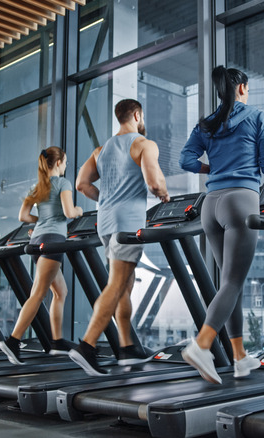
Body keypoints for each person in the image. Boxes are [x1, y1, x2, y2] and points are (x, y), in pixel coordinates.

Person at [179, 66, 264, 384]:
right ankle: (202, 345)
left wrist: (212, 165)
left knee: (229, 284)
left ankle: (239, 357)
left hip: (211, 205)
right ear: (243, 89)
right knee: (233, 283)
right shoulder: (257, 116)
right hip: (241, 202)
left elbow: (185, 160)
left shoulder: (207, 123)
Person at [69, 98, 170, 376]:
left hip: (106, 222)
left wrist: (105, 200)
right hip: (128, 225)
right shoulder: (143, 144)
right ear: (137, 115)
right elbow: (153, 182)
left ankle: (127, 347)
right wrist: (163, 193)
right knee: (116, 284)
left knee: (124, 284)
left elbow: (81, 184)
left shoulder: (101, 150)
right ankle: (87, 346)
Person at [0, 146, 83, 365]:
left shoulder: (36, 186)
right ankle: (13, 340)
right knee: (37, 294)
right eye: (64, 162)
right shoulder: (63, 183)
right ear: (57, 163)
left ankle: (57, 342)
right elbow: (68, 212)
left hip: (37, 240)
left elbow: (23, 215)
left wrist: (41, 222)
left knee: (60, 292)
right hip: (53, 241)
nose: (65, 166)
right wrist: (79, 211)